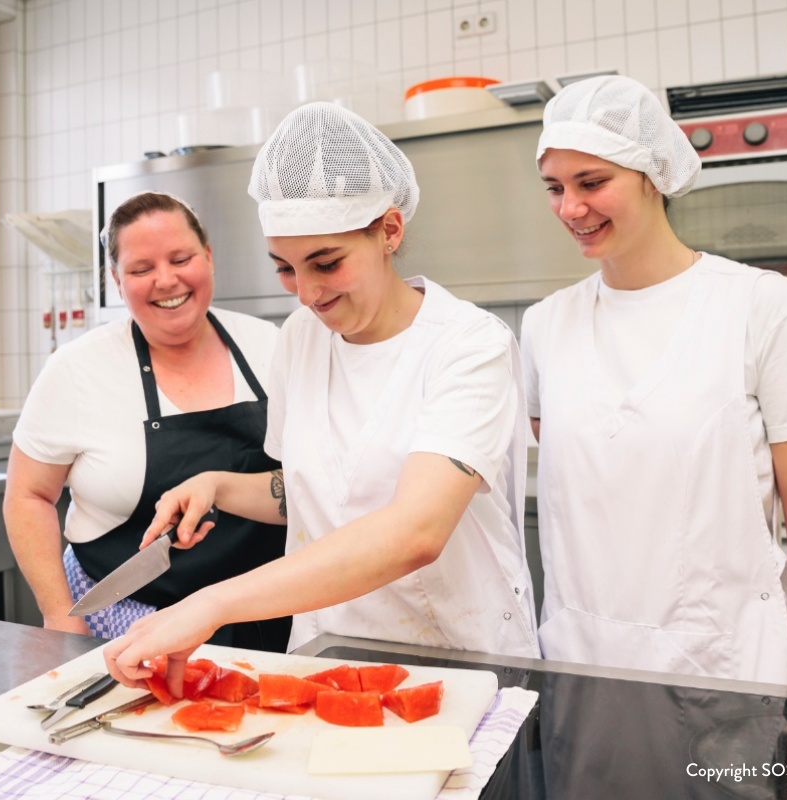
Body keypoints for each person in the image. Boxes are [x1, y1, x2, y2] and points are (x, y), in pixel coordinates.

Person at [103, 102, 539, 693]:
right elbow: (310, 493)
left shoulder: (469, 345)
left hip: (456, 661)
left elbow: (417, 532)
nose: (306, 293)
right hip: (328, 654)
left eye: (325, 263)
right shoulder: (302, 339)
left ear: (389, 231)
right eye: (284, 268)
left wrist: (210, 605)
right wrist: (220, 486)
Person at [522, 75, 787, 689]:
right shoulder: (546, 325)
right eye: (555, 188)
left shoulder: (767, 308)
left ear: (653, 175)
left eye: (592, 183)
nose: (570, 208)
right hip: (581, 661)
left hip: (727, 670)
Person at [3, 191, 290, 651]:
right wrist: (57, 612)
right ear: (116, 280)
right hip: (127, 620)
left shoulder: (271, 347)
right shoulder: (78, 369)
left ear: (209, 257)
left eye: (181, 258)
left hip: (265, 612)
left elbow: (305, 483)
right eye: (141, 269)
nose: (166, 280)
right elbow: (27, 495)